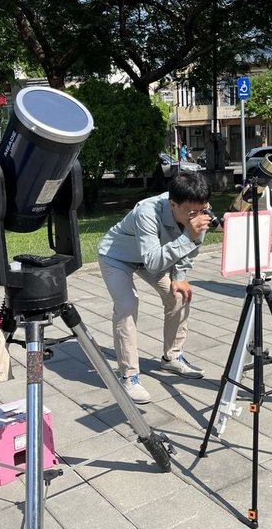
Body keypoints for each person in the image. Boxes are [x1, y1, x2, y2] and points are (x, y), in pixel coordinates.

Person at [98, 171, 213, 403]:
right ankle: (129, 376)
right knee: (127, 305)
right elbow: (153, 262)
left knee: (179, 296)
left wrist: (179, 275)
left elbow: (192, 249)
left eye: (203, 210)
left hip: (151, 259)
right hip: (117, 257)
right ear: (173, 205)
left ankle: (172, 357)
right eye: (192, 213)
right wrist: (188, 236)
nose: (199, 217)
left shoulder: (199, 210)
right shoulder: (147, 212)